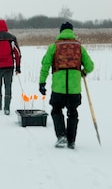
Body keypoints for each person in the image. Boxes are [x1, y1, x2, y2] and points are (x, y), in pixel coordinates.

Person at [39, 21, 94, 149]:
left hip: (58, 88)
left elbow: (45, 65)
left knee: (56, 110)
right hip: (75, 89)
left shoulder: (54, 47)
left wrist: (42, 82)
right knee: (73, 112)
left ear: (60, 32)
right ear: (72, 32)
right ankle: (71, 140)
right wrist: (83, 72)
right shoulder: (79, 47)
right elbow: (90, 66)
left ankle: (61, 136)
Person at [0, 19, 21, 115]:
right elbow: (17, 53)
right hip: (9, 66)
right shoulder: (12, 38)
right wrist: (18, 67)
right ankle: (7, 108)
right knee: (8, 86)